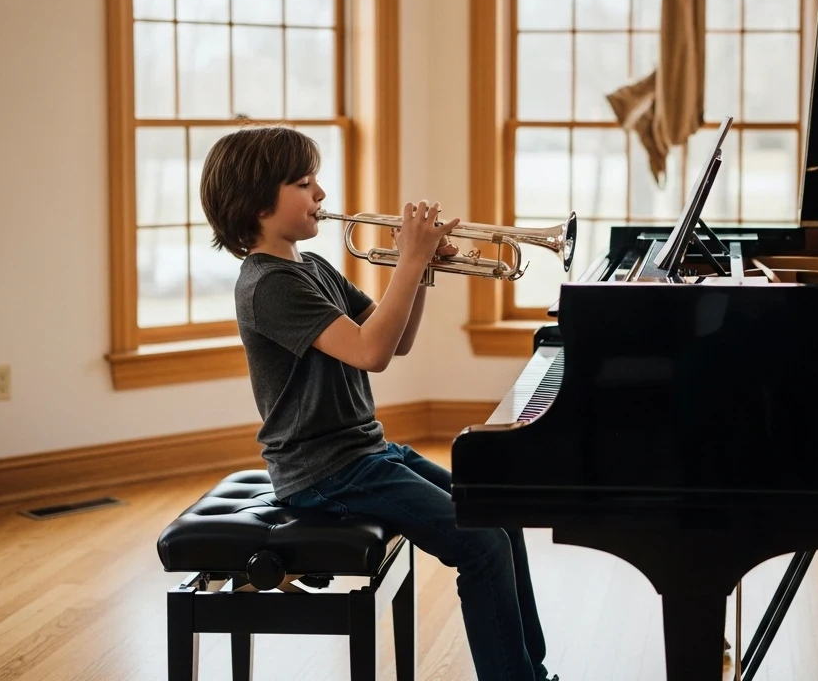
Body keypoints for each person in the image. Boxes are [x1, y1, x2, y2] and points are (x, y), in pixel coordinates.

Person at [199, 125, 556, 681]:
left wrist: (422, 269)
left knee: (497, 515)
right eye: (304, 184)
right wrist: (409, 262)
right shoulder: (268, 285)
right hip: (324, 471)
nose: (321, 194)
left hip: (364, 453)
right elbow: (371, 353)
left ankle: (531, 671)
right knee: (481, 545)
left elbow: (397, 339)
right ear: (258, 203)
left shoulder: (312, 268)